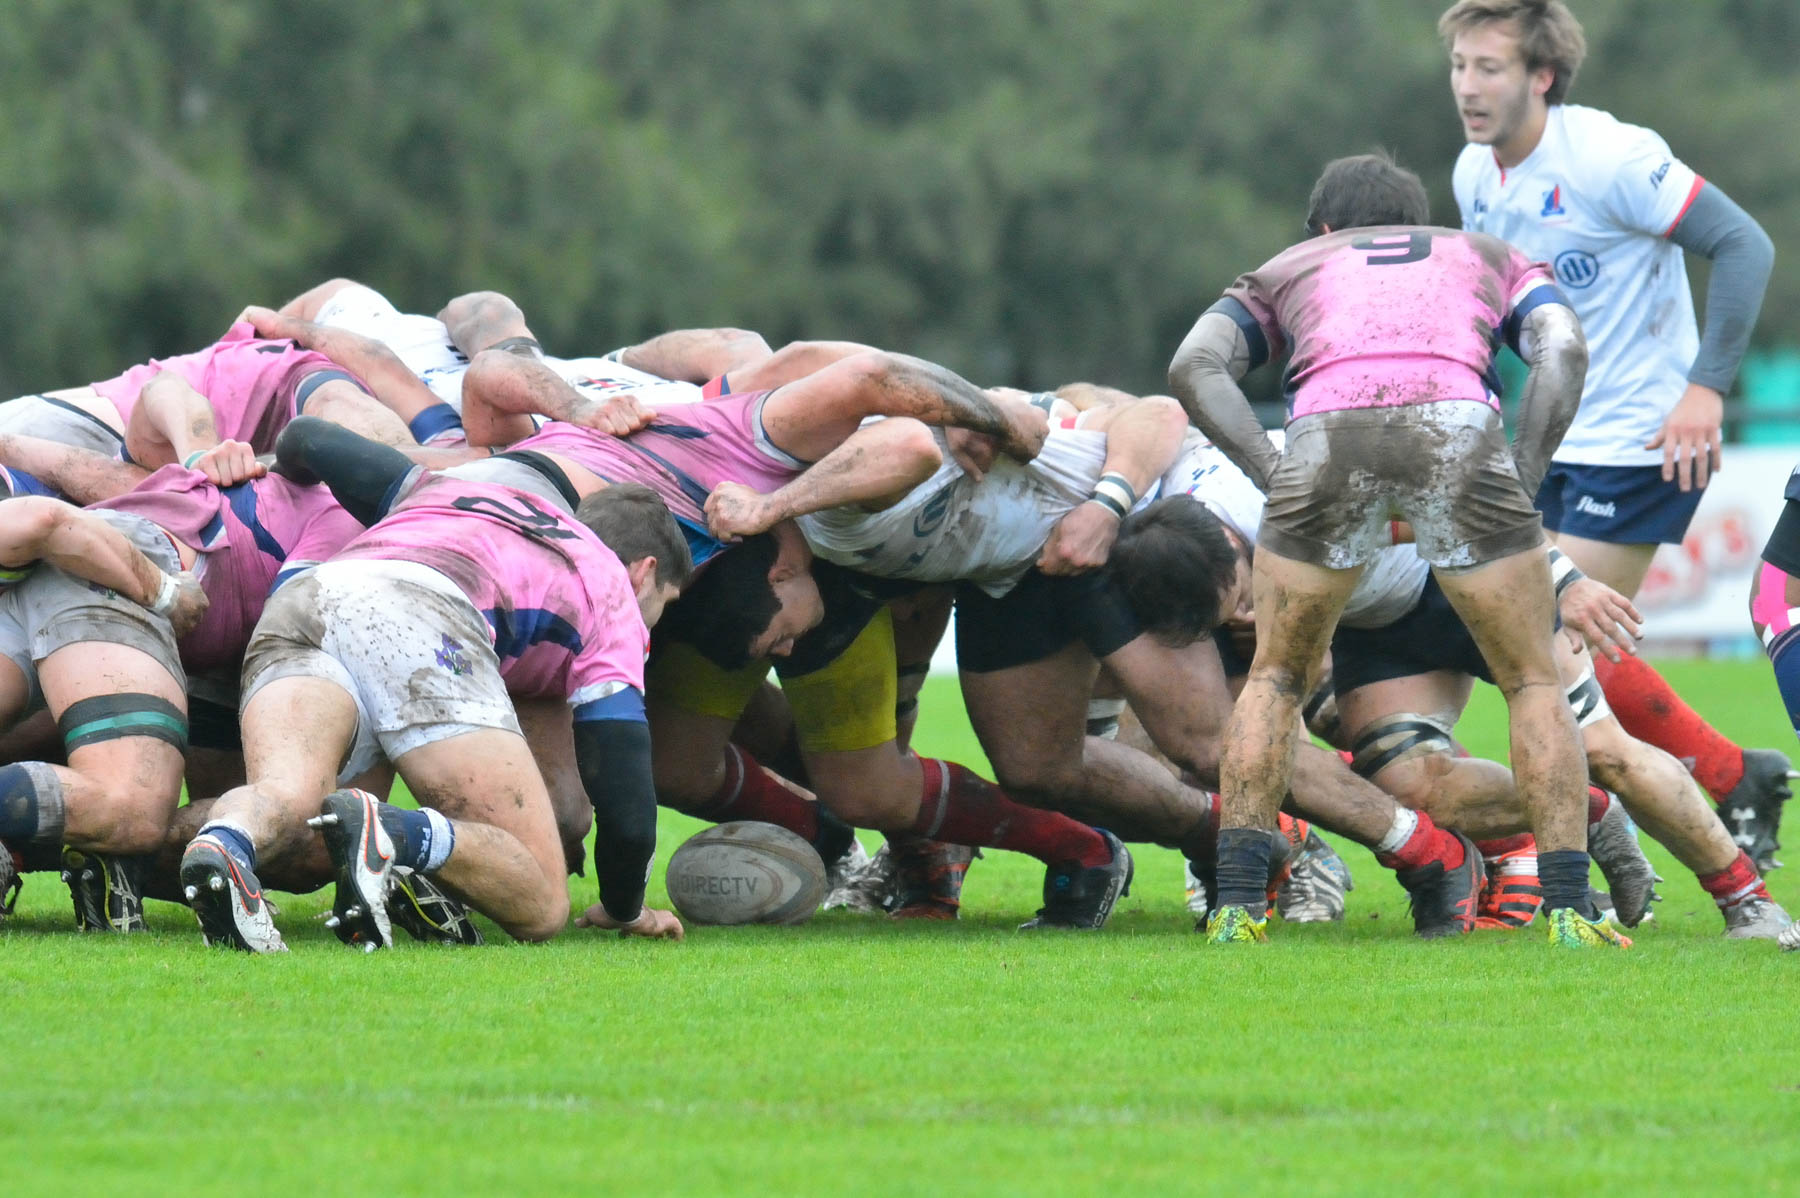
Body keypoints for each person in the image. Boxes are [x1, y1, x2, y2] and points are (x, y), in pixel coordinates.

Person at [1167, 151, 1621, 947]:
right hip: (1458, 433)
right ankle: (1570, 911)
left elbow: (1194, 363)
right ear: (1419, 223)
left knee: (1274, 678)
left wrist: (1272, 471)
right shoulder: (1488, 255)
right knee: (1529, 680)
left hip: (1324, 440)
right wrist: (1524, 472)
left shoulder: (1287, 266)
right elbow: (1565, 347)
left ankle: (1238, 905)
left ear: (1324, 230)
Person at [1441, 0, 1790, 867]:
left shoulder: (1609, 156)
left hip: (1644, 435)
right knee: (1537, 639)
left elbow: (1745, 246)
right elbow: (1492, 310)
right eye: (1459, 66)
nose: (1468, 87)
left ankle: (1569, 852)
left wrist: (1706, 388)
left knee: (1531, 635)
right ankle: (1730, 773)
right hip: (1552, 436)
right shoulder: (1473, 174)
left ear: (1542, 77)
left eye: (1489, 67)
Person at [178, 461, 691, 952]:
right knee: (542, 902)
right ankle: (394, 838)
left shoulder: (469, 494)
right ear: (644, 574)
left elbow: (314, 438)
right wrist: (627, 908)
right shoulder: (612, 589)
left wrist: (284, 458)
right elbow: (625, 790)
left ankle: (216, 842)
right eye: (664, 607)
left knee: (289, 801)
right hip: (422, 618)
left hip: (311, 596)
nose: (653, 625)